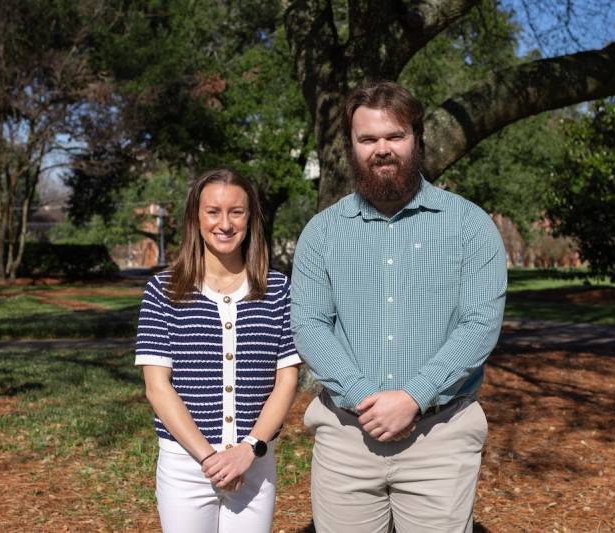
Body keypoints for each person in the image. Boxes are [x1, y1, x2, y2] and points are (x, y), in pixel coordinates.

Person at [291, 81, 507, 533]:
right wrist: (364, 397)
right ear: (351, 146)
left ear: (417, 138)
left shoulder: (470, 225)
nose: (381, 149)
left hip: (440, 436)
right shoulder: (322, 232)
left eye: (395, 136)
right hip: (346, 438)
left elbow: (480, 323)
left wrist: (414, 396)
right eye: (367, 139)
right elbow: (310, 324)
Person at [135, 168, 301, 533]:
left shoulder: (276, 289)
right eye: (213, 211)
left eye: (236, 212)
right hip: (186, 467)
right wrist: (210, 458)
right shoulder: (163, 290)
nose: (224, 223)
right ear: (196, 217)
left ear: (250, 218)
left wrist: (249, 449)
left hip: (254, 464)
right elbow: (157, 387)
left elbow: (287, 379)